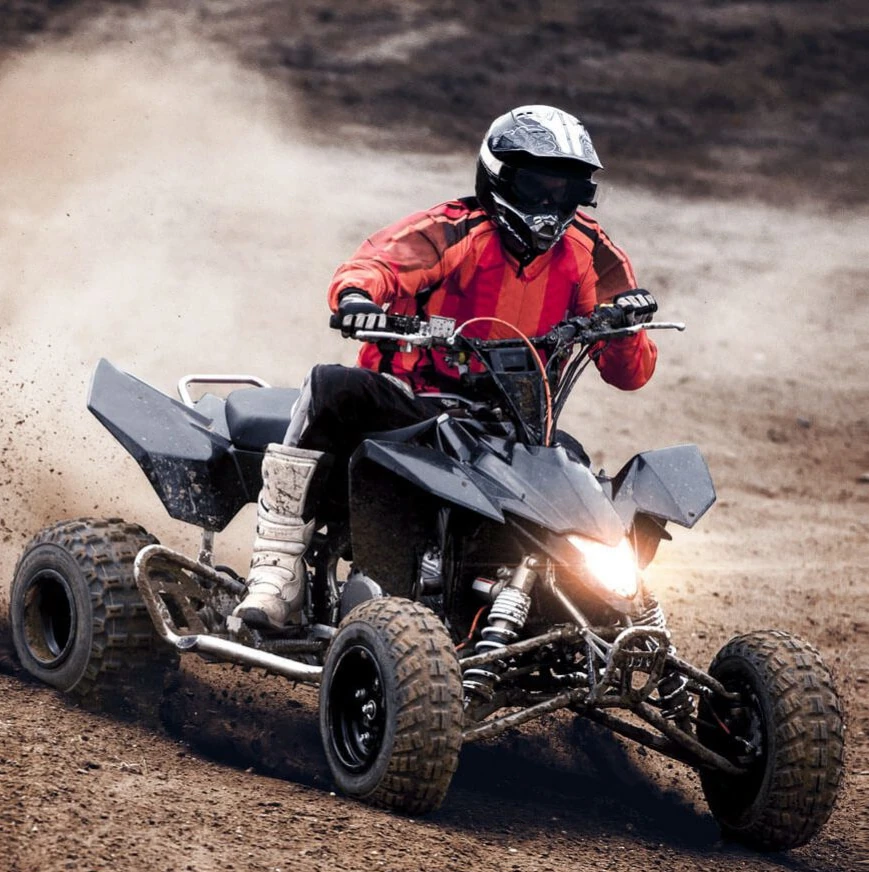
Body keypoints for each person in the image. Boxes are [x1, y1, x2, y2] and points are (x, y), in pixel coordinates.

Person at [233, 104, 658, 631]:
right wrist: (358, 298)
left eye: (566, 189)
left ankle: (564, 612)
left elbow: (630, 374)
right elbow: (375, 265)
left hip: (514, 426)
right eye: (537, 186)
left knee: (573, 470)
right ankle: (276, 572)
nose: (550, 204)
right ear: (499, 178)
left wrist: (624, 328)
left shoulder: (590, 251)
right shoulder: (451, 229)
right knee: (332, 386)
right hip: (411, 409)